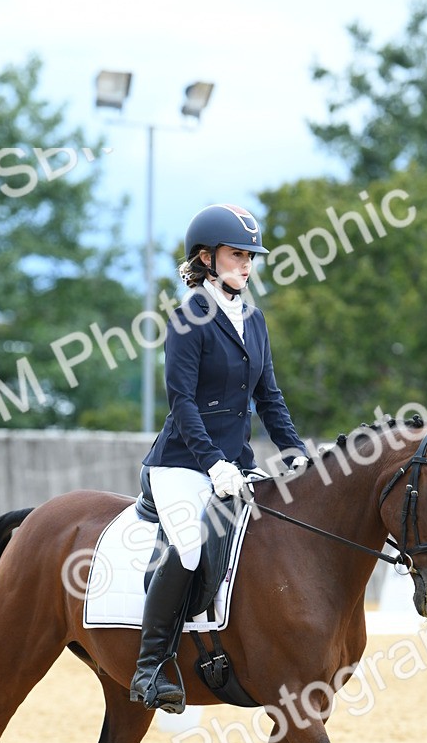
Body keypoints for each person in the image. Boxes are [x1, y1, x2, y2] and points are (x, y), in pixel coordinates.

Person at [129, 203, 309, 713]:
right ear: (206, 259)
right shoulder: (189, 318)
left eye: (250, 257)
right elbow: (182, 403)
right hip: (182, 463)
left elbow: (268, 397)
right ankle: (151, 666)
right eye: (236, 255)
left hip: (235, 462)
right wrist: (212, 463)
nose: (246, 265)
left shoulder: (253, 319)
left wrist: (295, 452)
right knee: (189, 547)